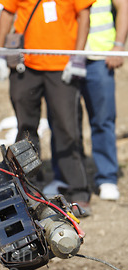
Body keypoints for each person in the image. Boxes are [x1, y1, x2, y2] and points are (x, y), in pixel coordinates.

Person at [0, 0, 94, 216]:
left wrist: (77, 56)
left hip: (62, 66)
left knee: (67, 127)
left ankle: (77, 192)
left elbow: (84, 15)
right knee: (25, 129)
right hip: (25, 66)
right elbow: (7, 13)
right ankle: (27, 189)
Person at [80, 0, 128, 201]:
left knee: (103, 118)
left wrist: (118, 45)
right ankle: (69, 178)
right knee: (64, 122)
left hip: (99, 57)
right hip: (65, 56)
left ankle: (107, 176)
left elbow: (124, 6)